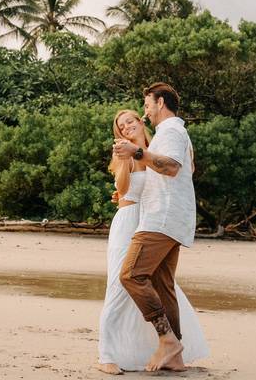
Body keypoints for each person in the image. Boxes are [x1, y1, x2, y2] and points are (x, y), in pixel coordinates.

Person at [97, 105, 208, 374]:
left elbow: (178, 172)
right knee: (119, 284)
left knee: (161, 284)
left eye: (130, 121)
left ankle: (172, 348)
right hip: (128, 220)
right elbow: (123, 188)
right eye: (121, 126)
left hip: (152, 219)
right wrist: (126, 159)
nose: (126, 127)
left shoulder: (158, 147)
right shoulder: (124, 153)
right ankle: (107, 355)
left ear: (141, 120)